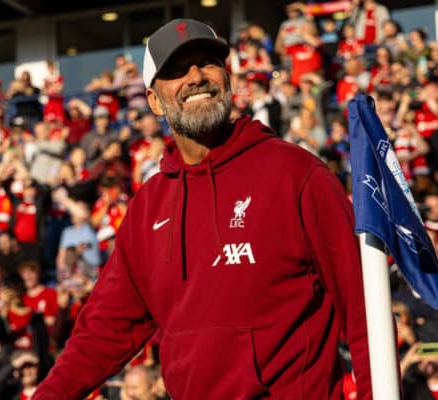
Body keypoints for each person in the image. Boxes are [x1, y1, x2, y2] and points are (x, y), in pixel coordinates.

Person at [34, 19, 372, 399]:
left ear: (227, 78)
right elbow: (104, 332)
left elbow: (365, 310)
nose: (196, 76)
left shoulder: (297, 174)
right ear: (154, 100)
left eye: (208, 62)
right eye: (177, 70)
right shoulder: (148, 207)